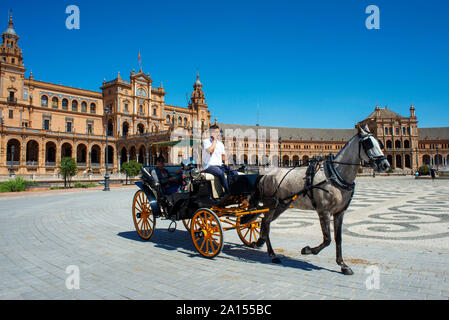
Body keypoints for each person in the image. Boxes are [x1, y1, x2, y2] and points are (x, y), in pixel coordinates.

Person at [202, 124, 237, 195]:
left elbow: (223, 155)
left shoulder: (220, 144)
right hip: (209, 166)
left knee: (234, 173)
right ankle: (228, 193)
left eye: (218, 132)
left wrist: (226, 162)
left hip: (220, 165)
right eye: (215, 132)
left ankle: (234, 189)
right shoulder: (206, 141)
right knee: (220, 173)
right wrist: (214, 140)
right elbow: (210, 151)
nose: (217, 134)